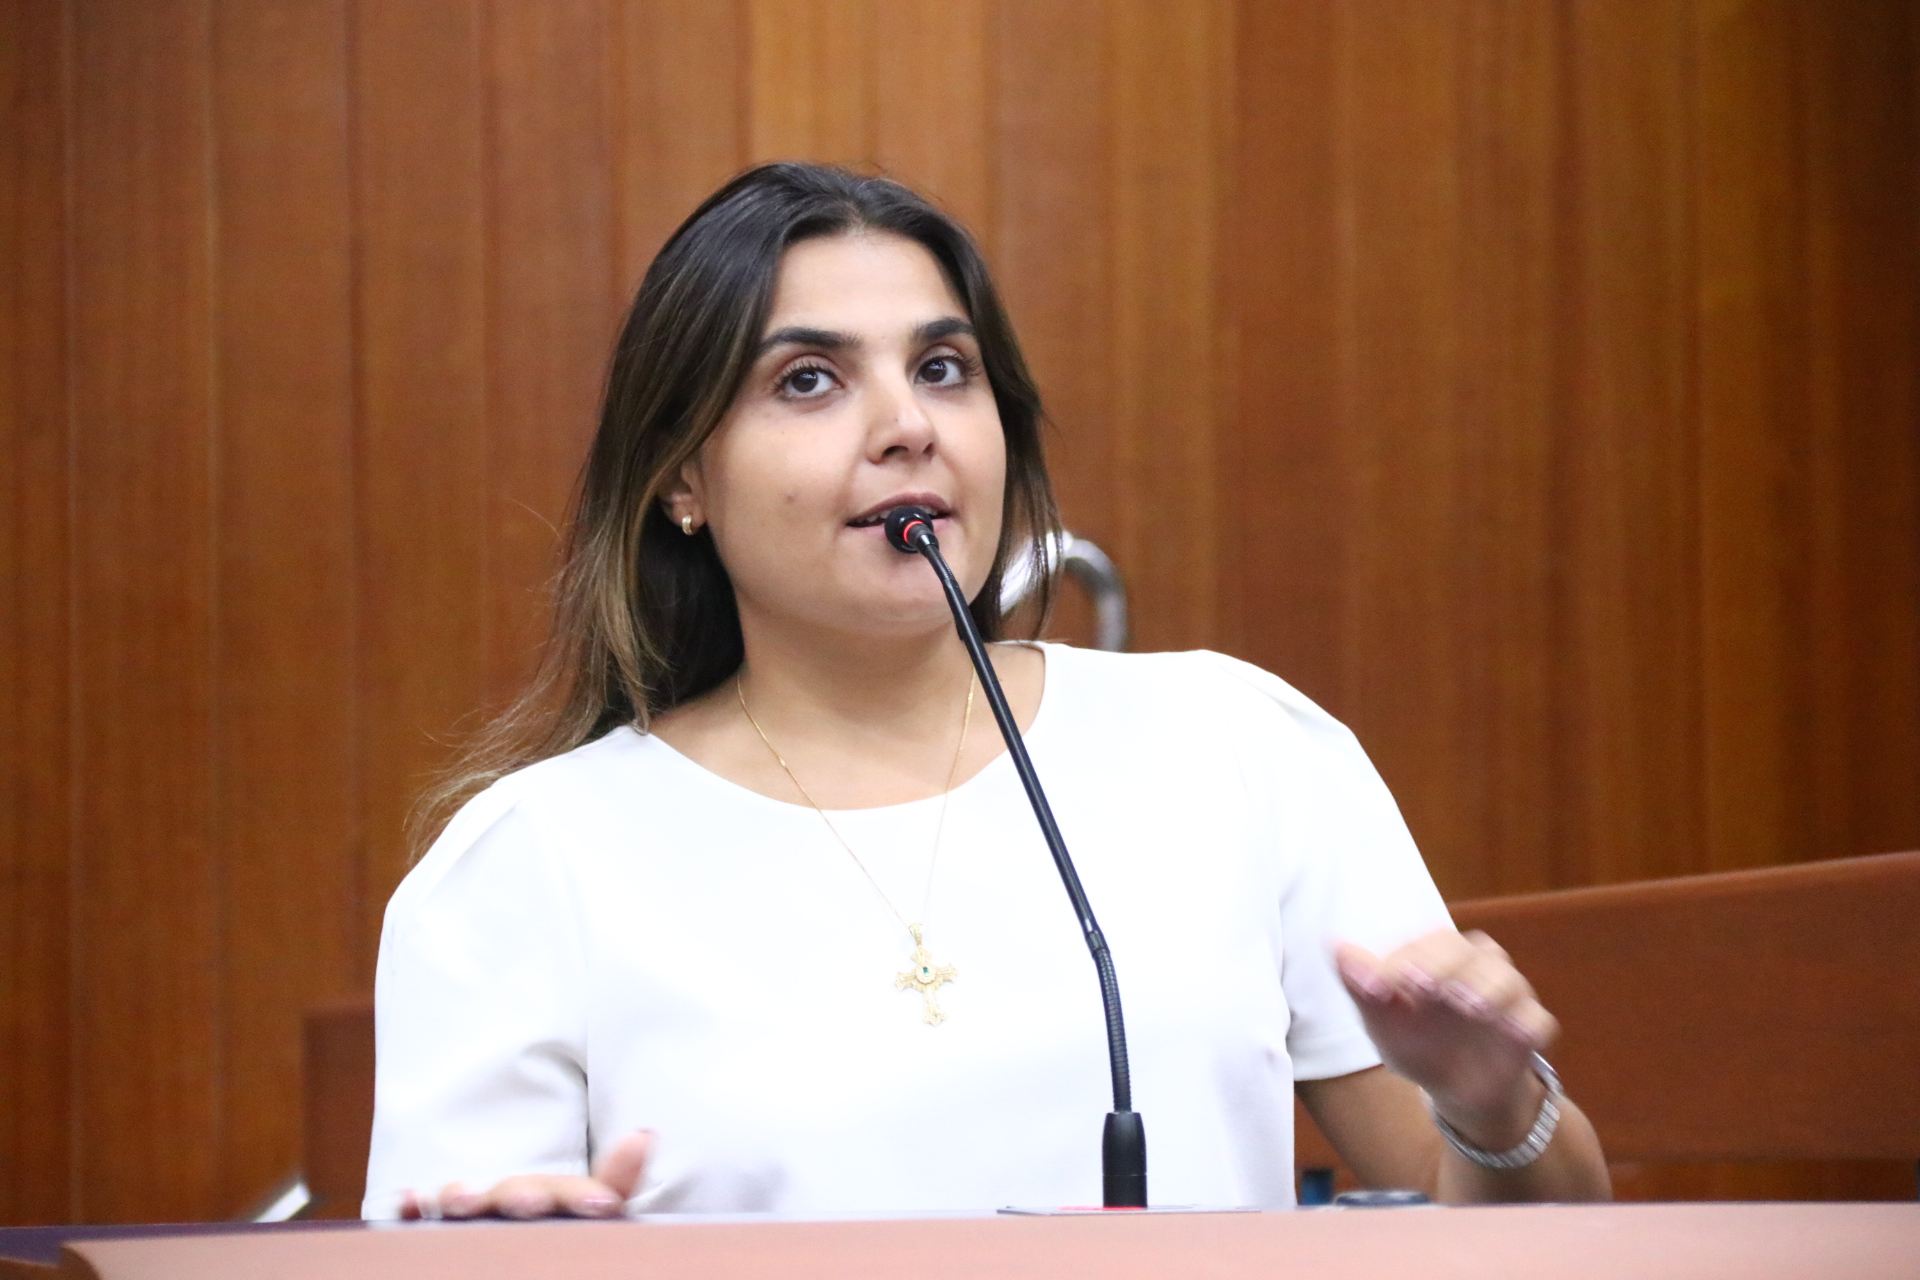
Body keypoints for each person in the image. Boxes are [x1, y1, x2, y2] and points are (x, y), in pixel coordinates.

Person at [362, 162, 1611, 1220]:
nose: (907, 425)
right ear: (683, 478)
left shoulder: (1235, 743)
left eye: (945, 367)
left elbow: (1525, 1236)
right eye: (809, 379)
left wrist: (1492, 1102)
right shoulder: (529, 866)